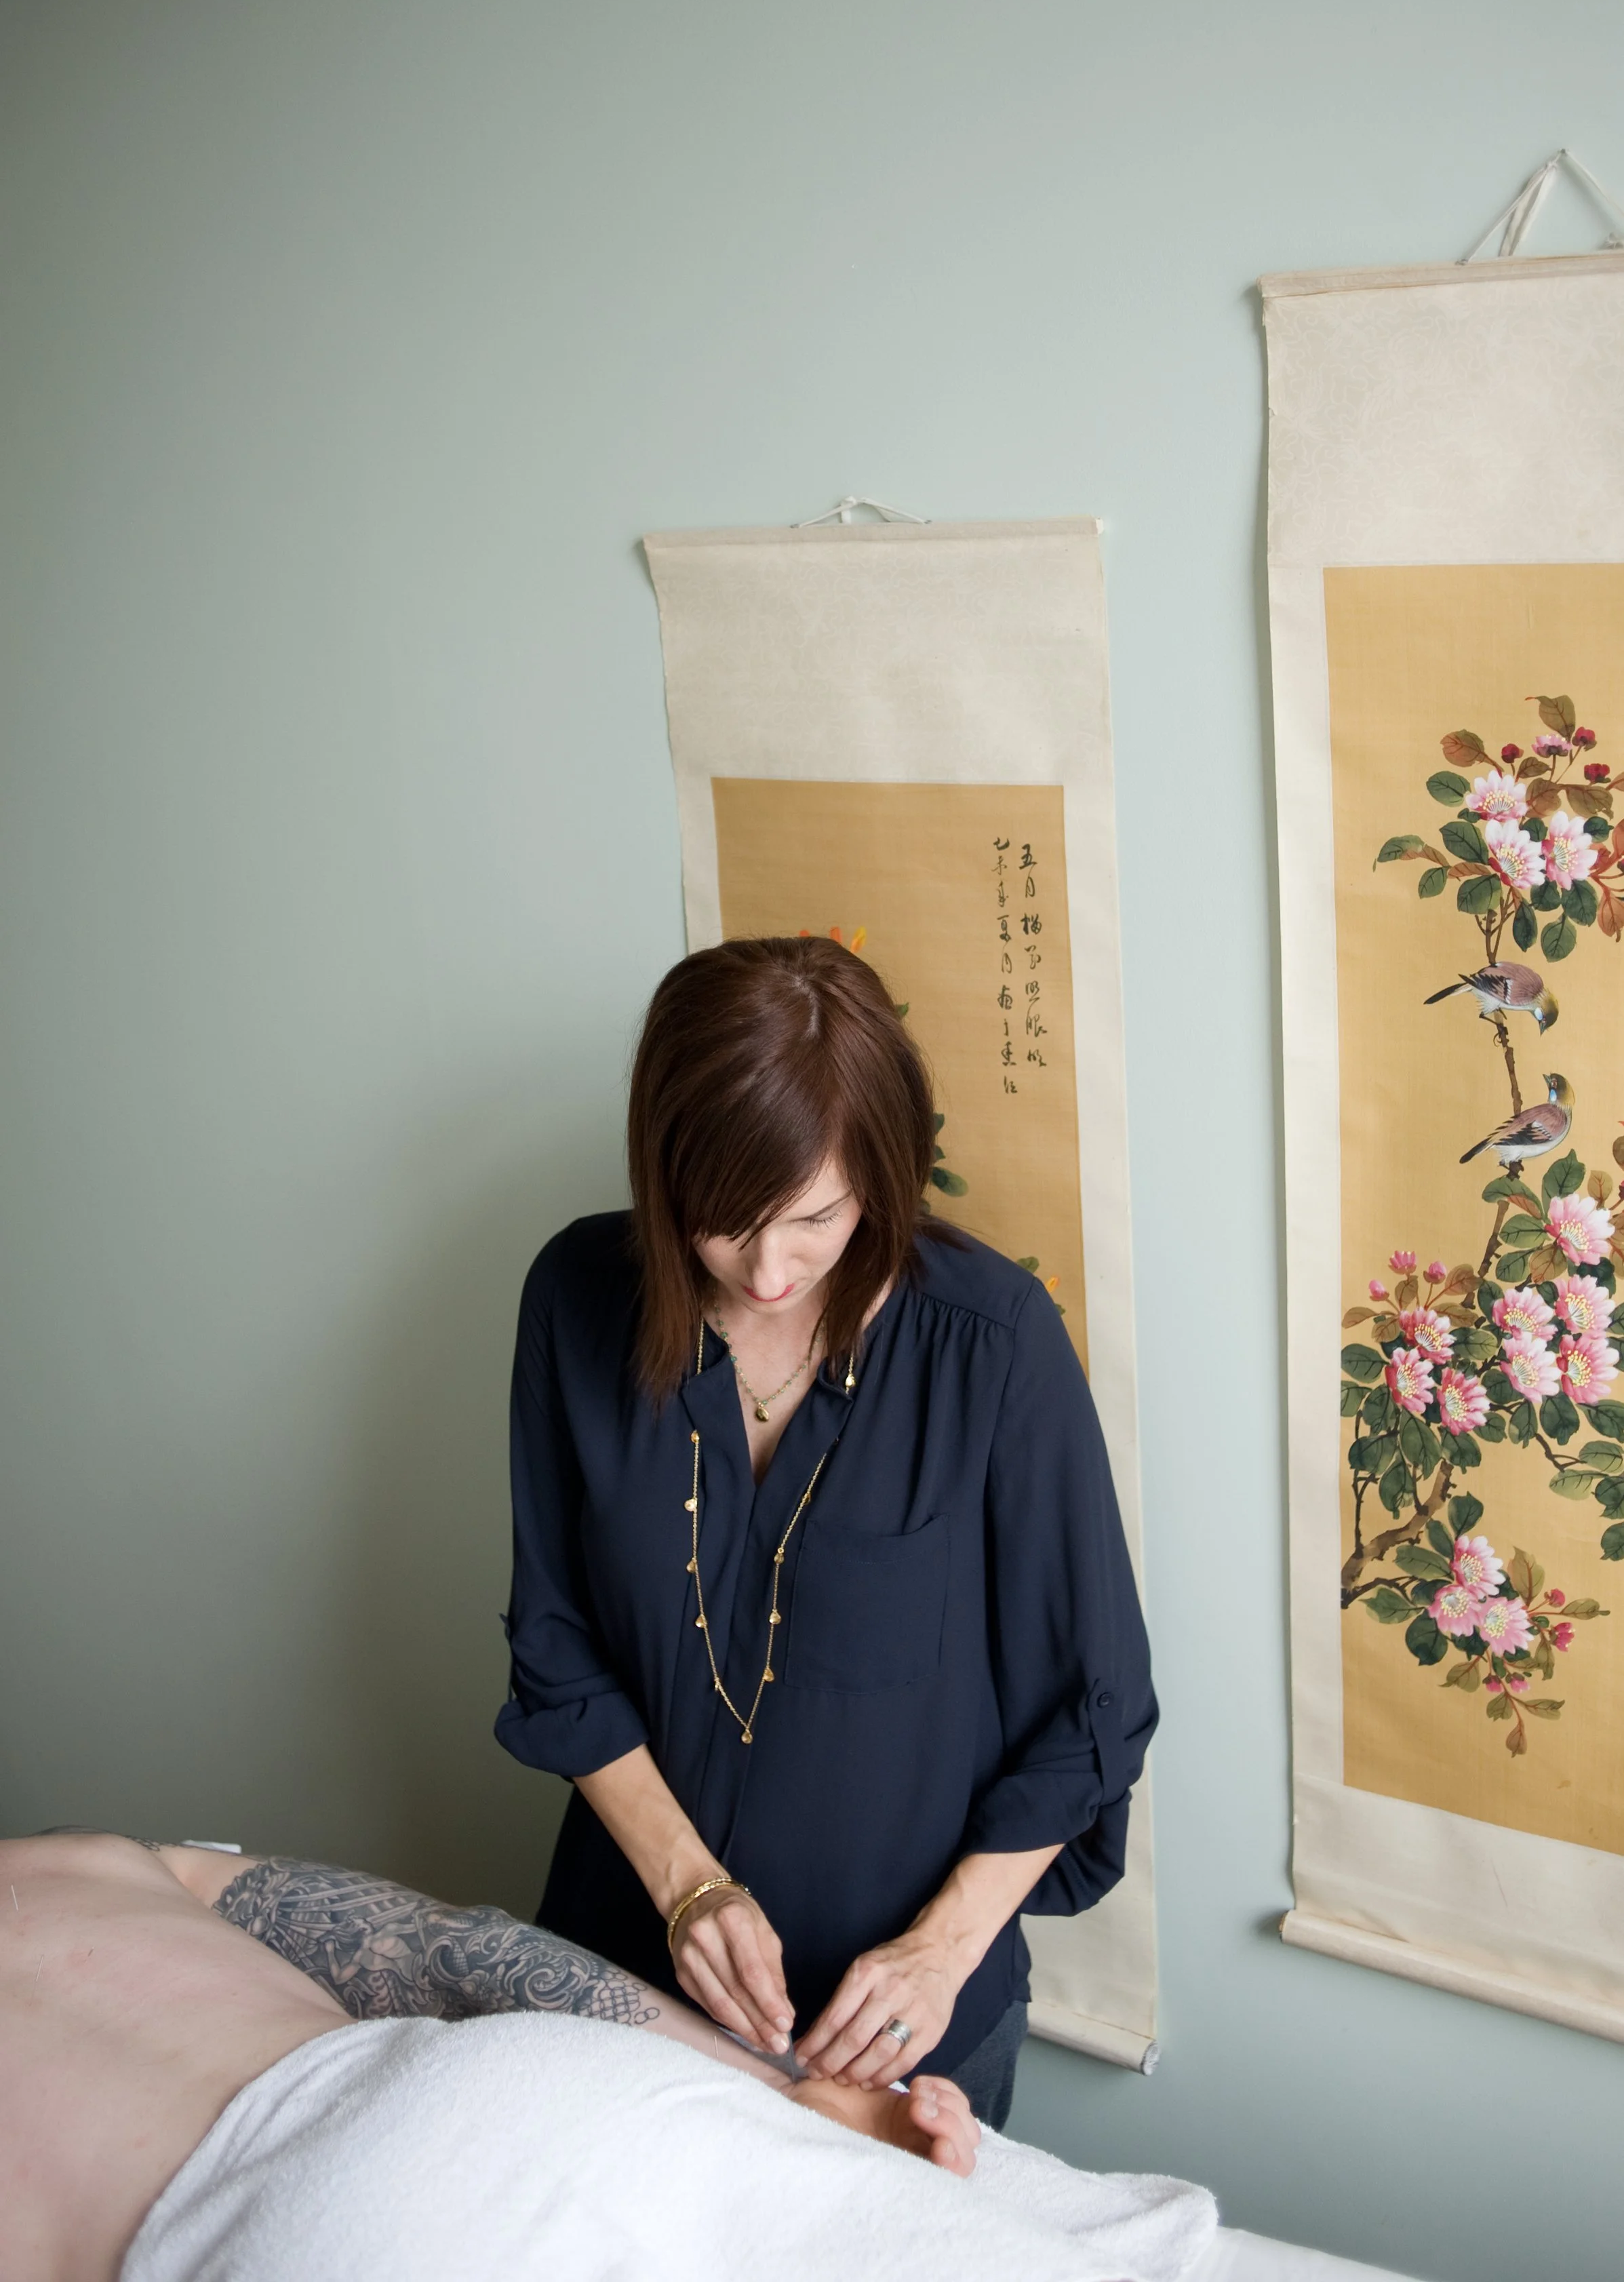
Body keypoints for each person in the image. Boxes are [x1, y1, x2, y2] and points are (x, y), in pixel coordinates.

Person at [496, 935, 1155, 2129]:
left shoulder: (992, 1343)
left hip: (898, 2017)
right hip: (622, 1967)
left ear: (883, 1180)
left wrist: (940, 1955)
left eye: (813, 1218)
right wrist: (687, 1889)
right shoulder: (575, 1298)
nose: (765, 1270)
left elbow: (1092, 1718)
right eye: (721, 1220)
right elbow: (555, 1646)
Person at [0, 1827, 978, 2282]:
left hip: (399, 2171)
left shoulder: (92, 1856)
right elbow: (460, 1954)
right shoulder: (87, 1858)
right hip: (388, 2168)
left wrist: (775, 2096)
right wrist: (764, 2097)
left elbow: (449, 1951)